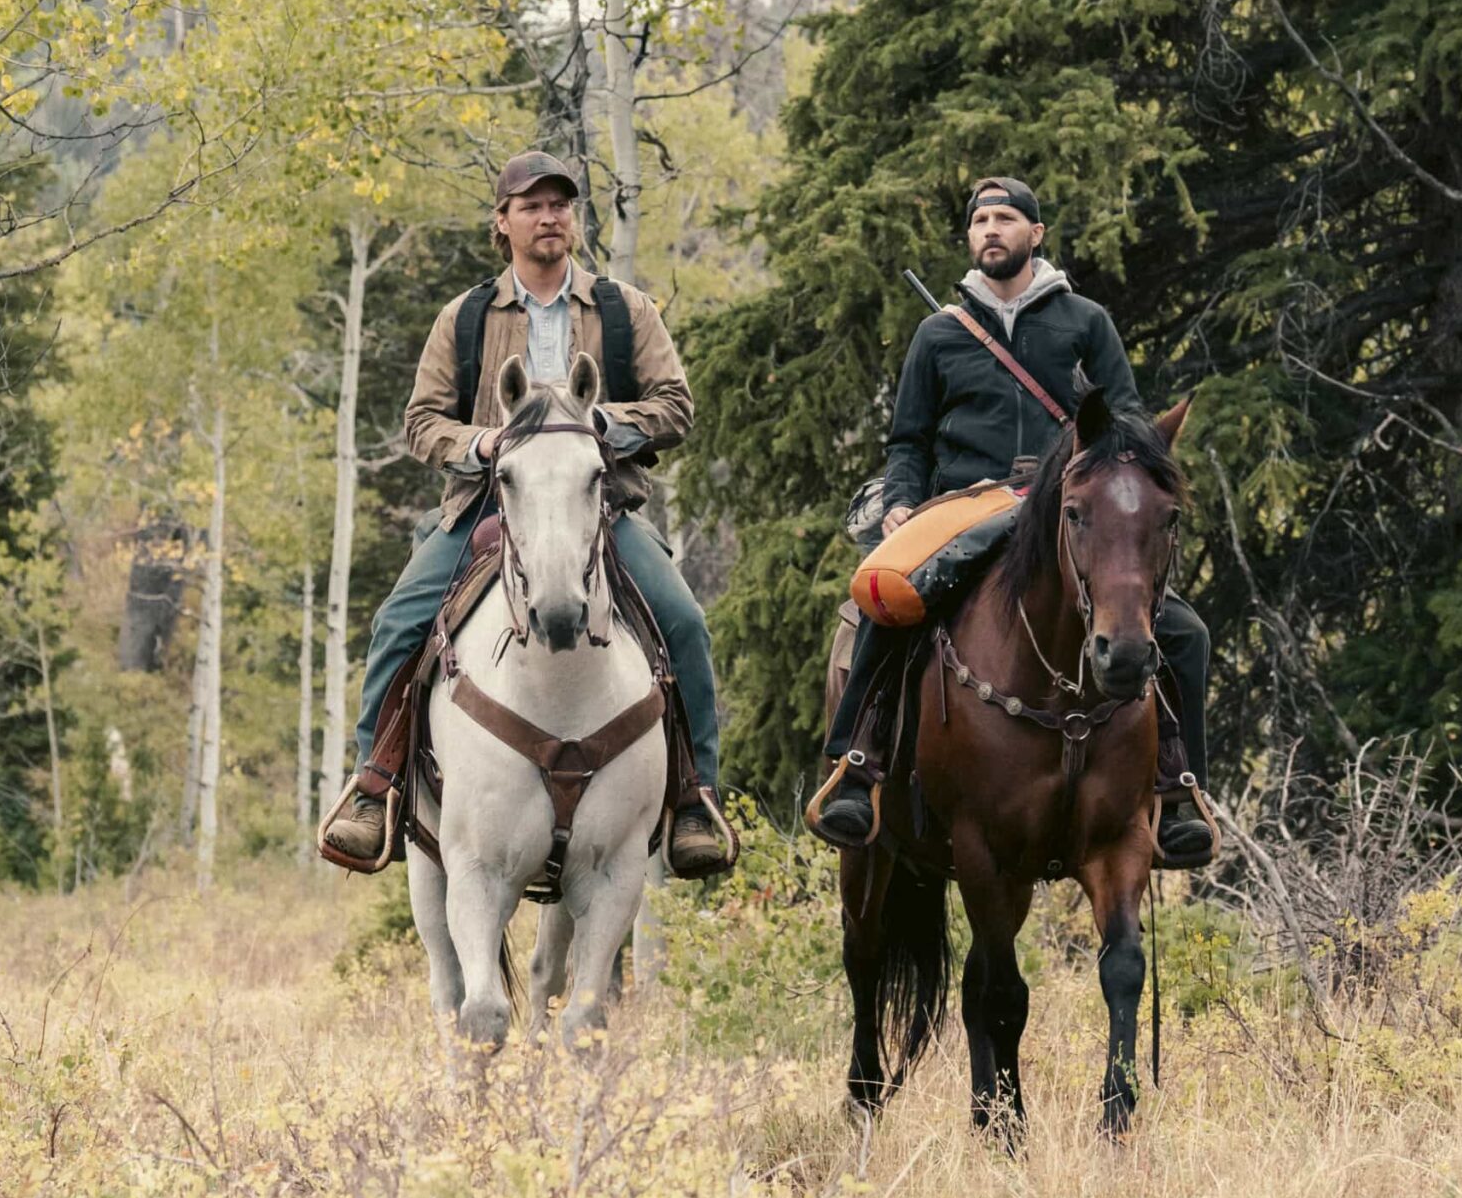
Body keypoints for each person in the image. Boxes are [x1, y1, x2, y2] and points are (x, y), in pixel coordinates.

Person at [318, 150, 732, 877]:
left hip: (593, 507)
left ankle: (695, 795)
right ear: (501, 222)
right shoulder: (468, 317)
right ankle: (374, 783)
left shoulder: (623, 309)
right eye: (532, 205)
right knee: (398, 621)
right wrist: (477, 442)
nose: (550, 216)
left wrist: (600, 427)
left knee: (686, 622)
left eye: (561, 204)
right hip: (486, 506)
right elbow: (420, 420)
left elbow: (677, 406)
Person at [809, 176, 1215, 867]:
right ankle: (857, 766)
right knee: (884, 606)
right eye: (980, 220)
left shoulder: (1086, 322)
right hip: (961, 509)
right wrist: (903, 501)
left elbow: (1129, 426)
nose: (990, 229)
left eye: (1005, 218)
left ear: (1036, 234)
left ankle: (1179, 788)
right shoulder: (938, 334)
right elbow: (908, 442)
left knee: (1185, 632)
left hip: (1065, 509)